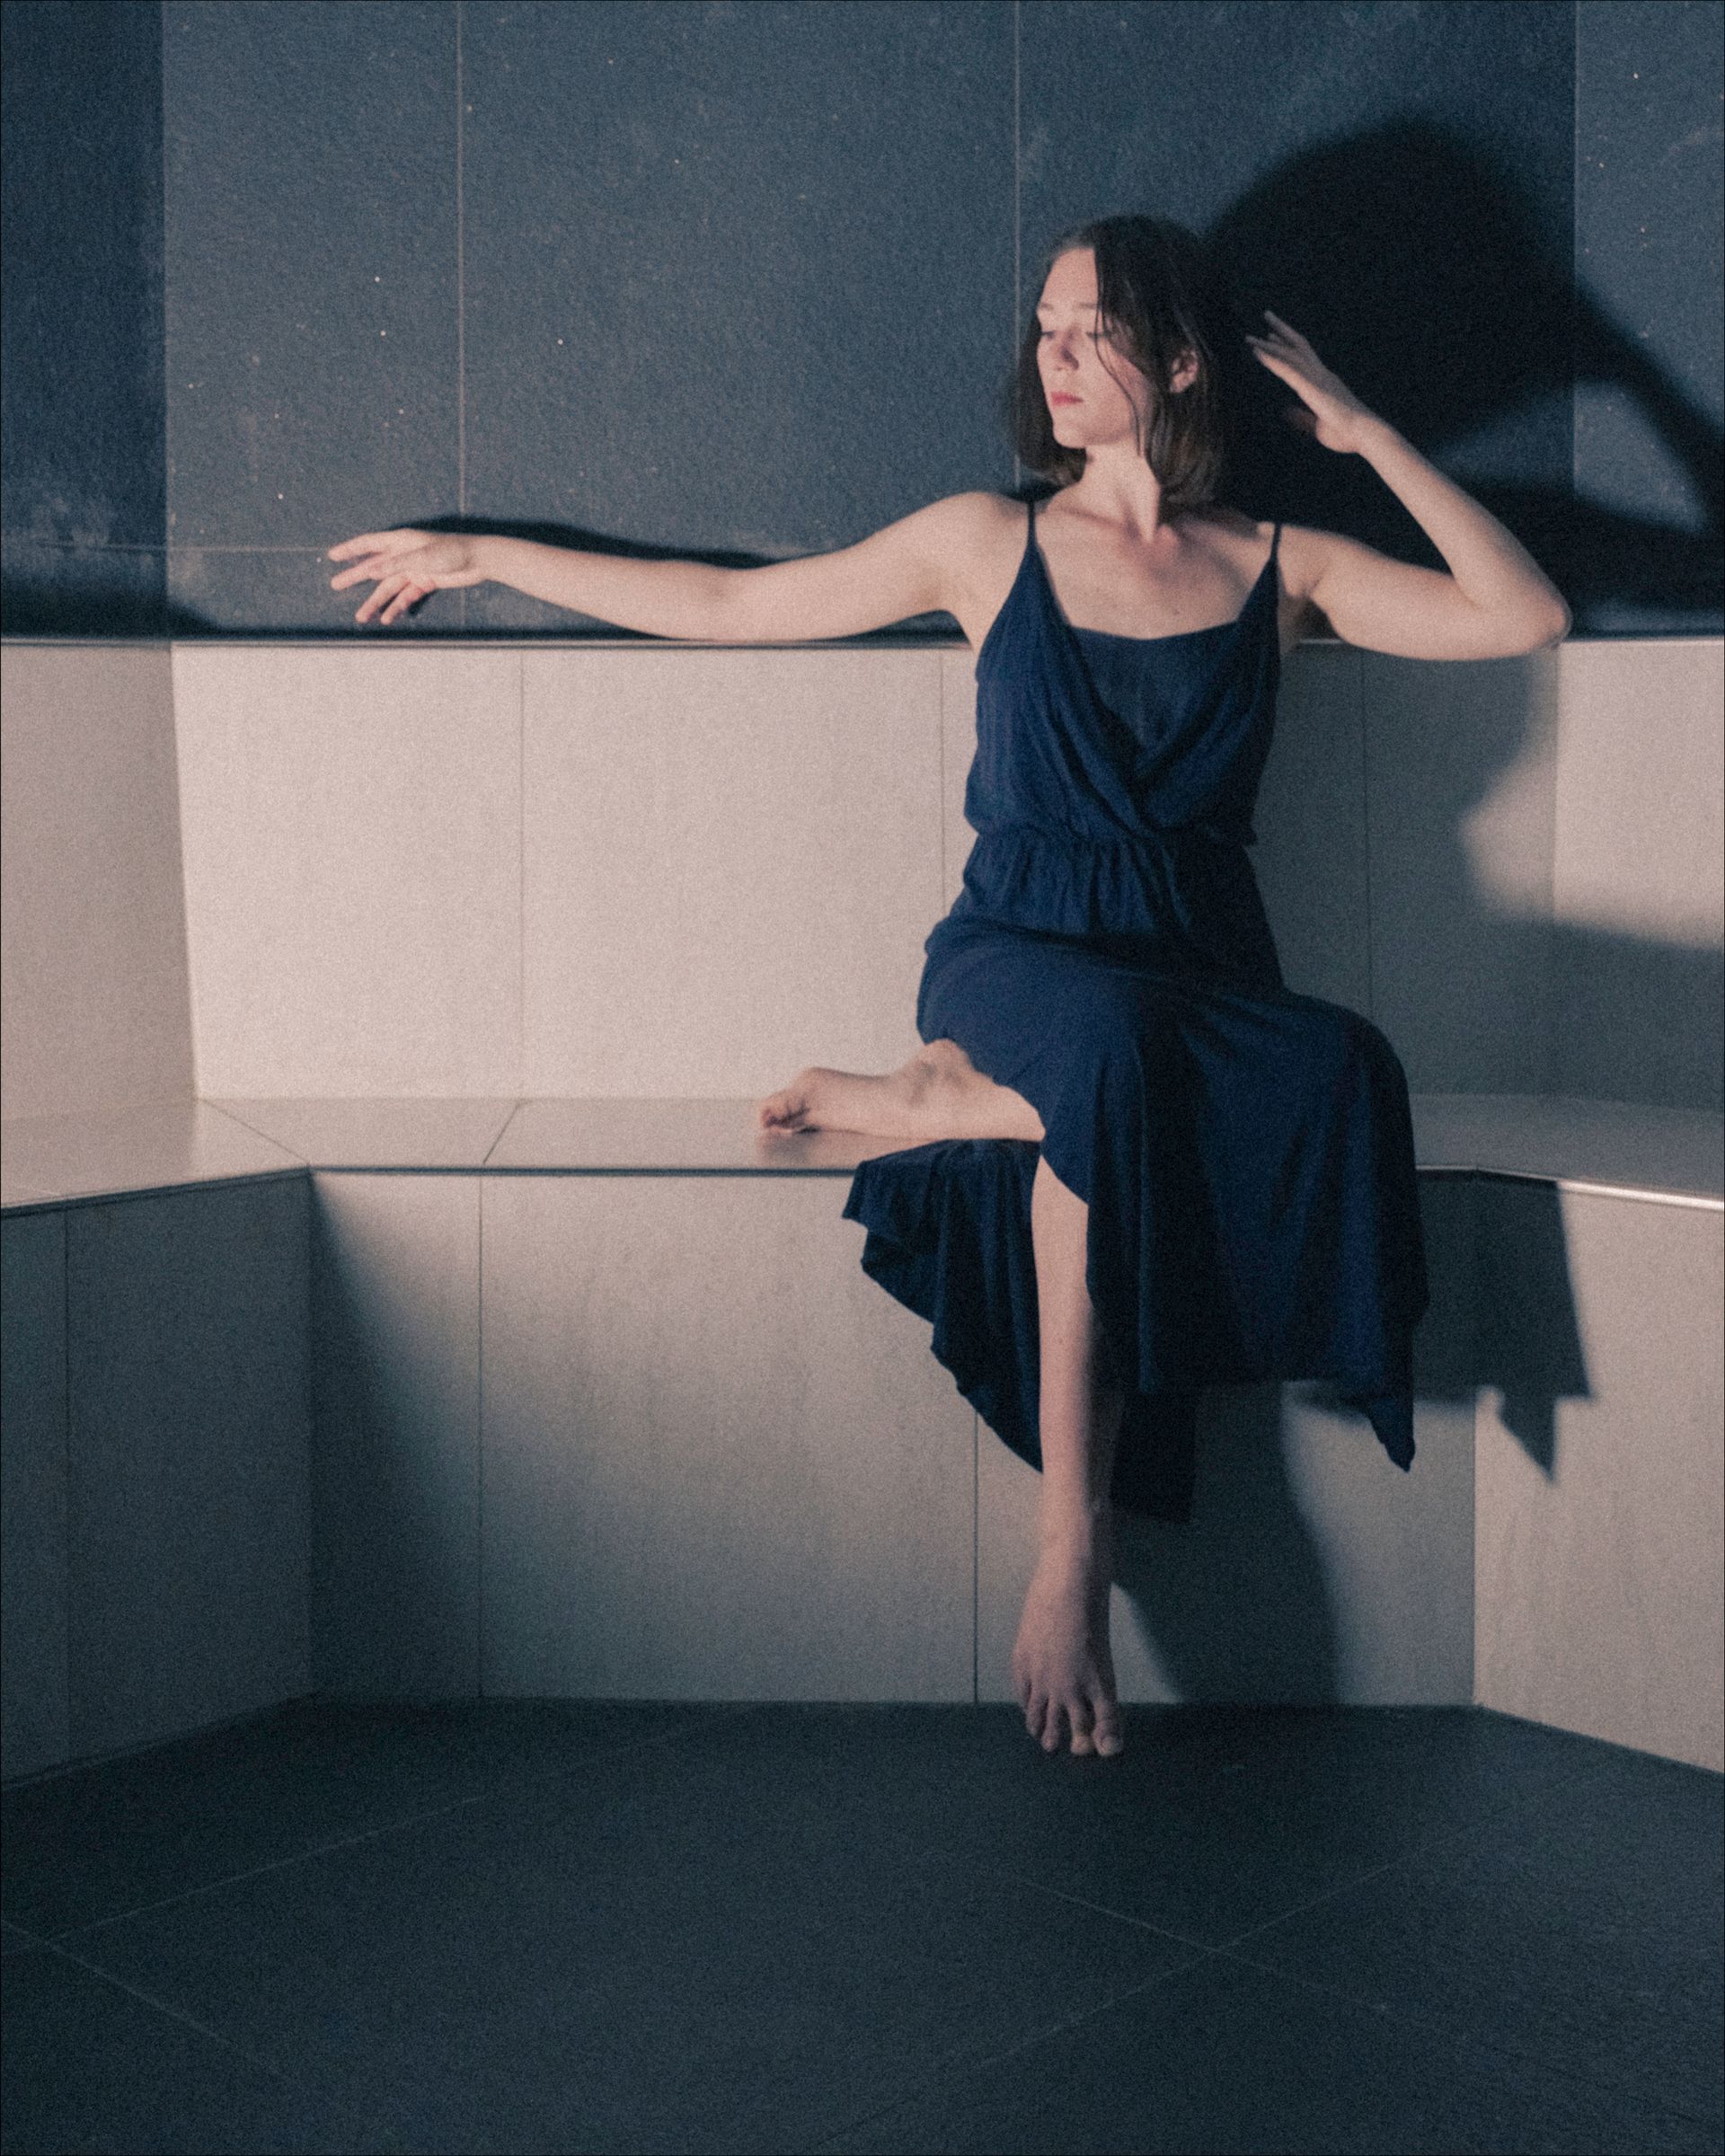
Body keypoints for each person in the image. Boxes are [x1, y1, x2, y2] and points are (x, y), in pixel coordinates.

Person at [328, 214, 1570, 1766]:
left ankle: (941, 1096)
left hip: (1198, 964)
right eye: (1042, 326)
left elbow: (1521, 614)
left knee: (1348, 1065)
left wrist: (1370, 433)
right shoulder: (988, 540)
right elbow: (725, 603)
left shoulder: (1279, 566)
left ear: (1178, 361)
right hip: (1023, 953)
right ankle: (1074, 1546)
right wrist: (483, 554)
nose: (1048, 358)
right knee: (1111, 1063)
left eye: (1088, 331)